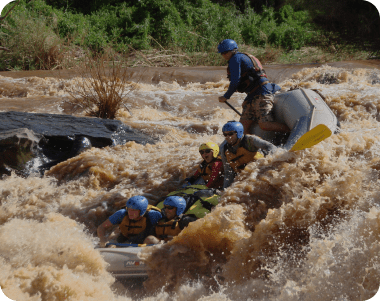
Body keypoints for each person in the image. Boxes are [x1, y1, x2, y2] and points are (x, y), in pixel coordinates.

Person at [217, 39, 290, 135]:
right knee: (242, 128)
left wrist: (226, 96)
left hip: (262, 92)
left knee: (265, 124)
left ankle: (291, 132)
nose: (224, 55)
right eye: (222, 53)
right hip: (253, 94)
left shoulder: (235, 59)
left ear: (233, 50)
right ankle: (250, 147)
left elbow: (235, 81)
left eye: (226, 52)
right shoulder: (241, 57)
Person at [220, 121, 277, 188]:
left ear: (239, 133)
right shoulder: (224, 149)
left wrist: (270, 162)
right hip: (243, 178)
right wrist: (225, 190)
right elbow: (228, 173)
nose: (228, 137)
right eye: (225, 134)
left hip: (260, 172)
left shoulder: (250, 140)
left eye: (230, 134)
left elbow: (271, 147)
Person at [97, 195, 162, 247]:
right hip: (127, 239)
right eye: (129, 209)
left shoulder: (153, 215)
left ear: (141, 211)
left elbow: (165, 226)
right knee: (111, 246)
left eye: (134, 210)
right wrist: (103, 240)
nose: (130, 212)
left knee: (151, 239)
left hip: (146, 240)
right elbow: (101, 227)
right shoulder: (121, 214)